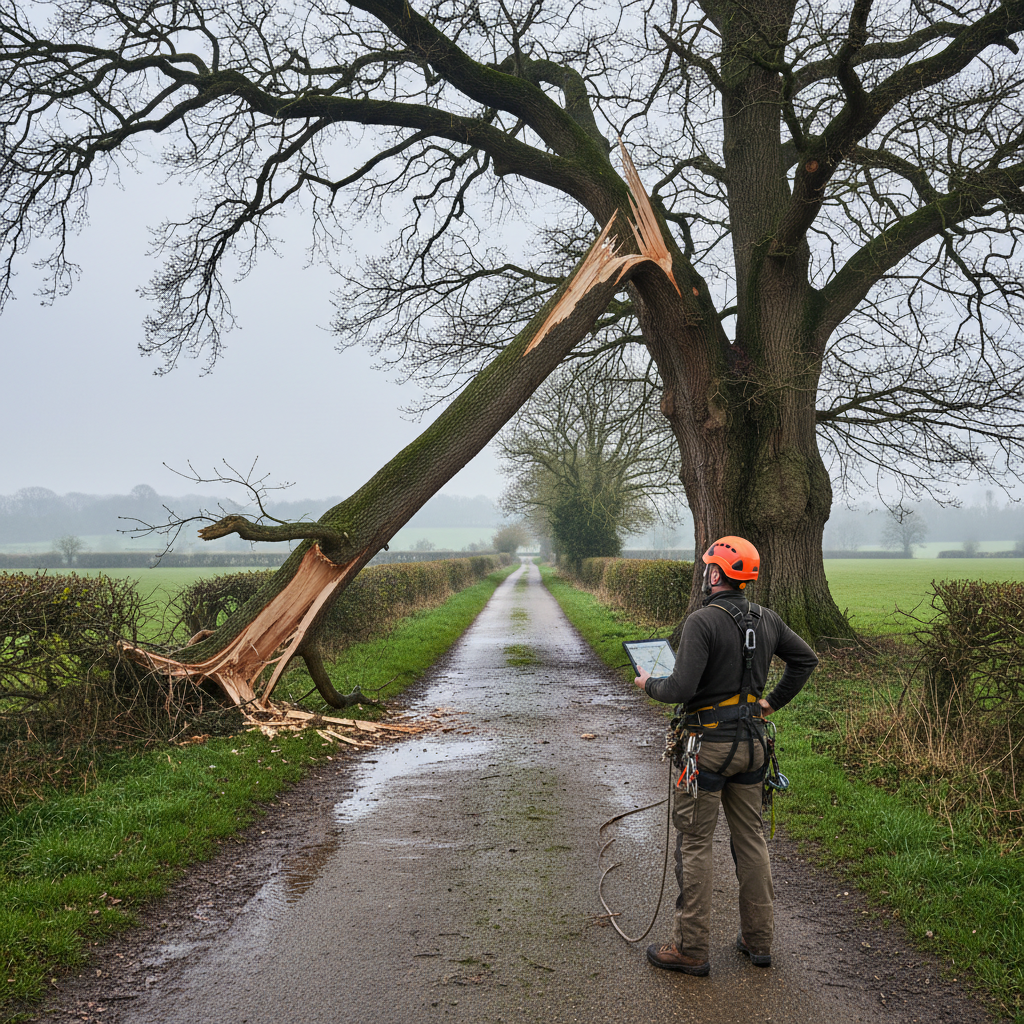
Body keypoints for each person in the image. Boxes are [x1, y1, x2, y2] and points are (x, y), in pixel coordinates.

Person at [633, 536, 818, 976]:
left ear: (716, 574)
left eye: (707, 567)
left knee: (696, 842)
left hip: (707, 750)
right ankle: (759, 941)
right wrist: (769, 703)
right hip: (754, 746)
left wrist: (648, 685)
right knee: (750, 839)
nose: (704, 573)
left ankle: (691, 948)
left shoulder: (703, 621)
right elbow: (805, 660)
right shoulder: (767, 619)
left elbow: (679, 689)